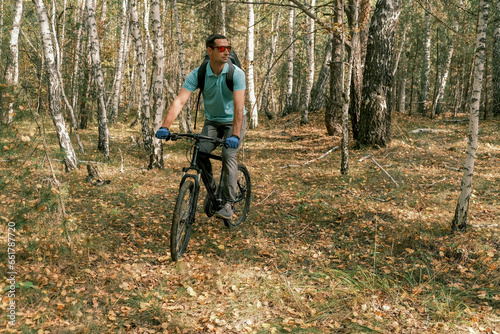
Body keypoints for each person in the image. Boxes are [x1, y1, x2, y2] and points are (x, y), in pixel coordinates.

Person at [155, 34, 247, 220]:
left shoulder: (236, 73)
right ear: (209, 51)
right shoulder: (198, 73)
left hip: (234, 121)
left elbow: (238, 108)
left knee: (228, 154)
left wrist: (235, 135)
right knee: (200, 152)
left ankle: (229, 203)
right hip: (212, 121)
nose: (226, 51)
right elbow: (180, 101)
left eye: (228, 48)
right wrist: (165, 126)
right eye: (221, 48)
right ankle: (213, 191)